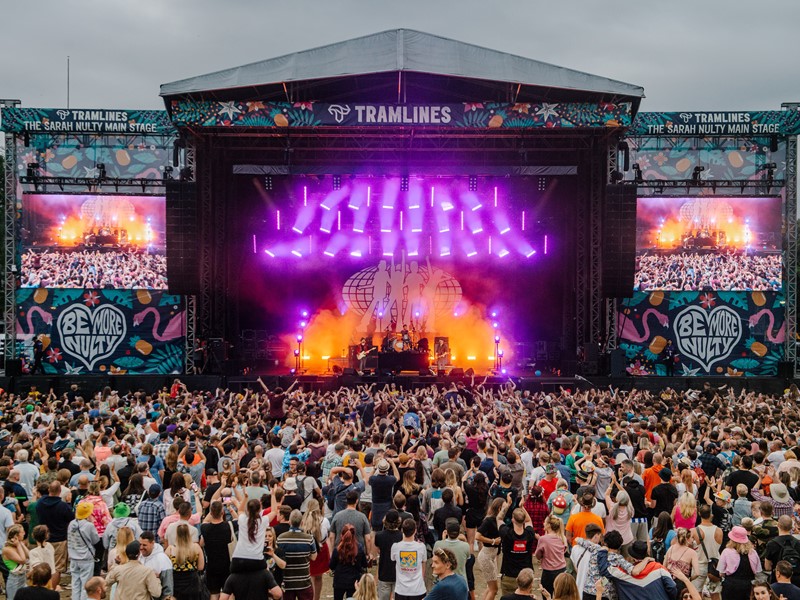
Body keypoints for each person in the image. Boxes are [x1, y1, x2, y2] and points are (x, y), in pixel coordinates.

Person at [36, 481, 73, 589]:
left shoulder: (40, 502)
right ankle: (50, 590)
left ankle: (42, 588)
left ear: (49, 490)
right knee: (57, 568)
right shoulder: (63, 506)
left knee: (44, 565)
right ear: (60, 491)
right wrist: (69, 503)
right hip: (59, 539)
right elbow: (71, 519)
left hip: (43, 538)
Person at [277, 509, 318, 600]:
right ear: (302, 522)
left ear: (289, 521)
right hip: (304, 582)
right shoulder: (309, 539)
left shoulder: (281, 538)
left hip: (287, 582)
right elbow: (314, 557)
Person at [200, 501, 234, 600]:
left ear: (210, 513)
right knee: (228, 593)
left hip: (212, 565)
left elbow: (205, 521)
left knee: (214, 593)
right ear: (223, 513)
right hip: (227, 565)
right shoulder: (228, 526)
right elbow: (238, 518)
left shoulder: (205, 528)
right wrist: (230, 508)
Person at [499, 507, 536, 596]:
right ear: (523, 521)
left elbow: (499, 519)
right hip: (526, 577)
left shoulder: (506, 533)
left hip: (509, 576)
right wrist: (523, 507)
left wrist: (507, 505)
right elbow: (528, 520)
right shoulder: (530, 534)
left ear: (512, 520)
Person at [718, 526, 761, 600]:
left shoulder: (727, 551)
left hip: (730, 586)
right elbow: (758, 571)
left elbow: (721, 572)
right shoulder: (753, 552)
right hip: (747, 586)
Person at [476, 498, 506, 600]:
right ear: (499, 508)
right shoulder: (489, 520)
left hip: (492, 556)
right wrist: (493, 541)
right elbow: (477, 536)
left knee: (490, 587)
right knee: (494, 589)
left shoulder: (499, 520)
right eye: (504, 508)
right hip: (486, 555)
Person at [68, 503, 99, 600]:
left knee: (75, 583)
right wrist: (93, 523)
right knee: (86, 584)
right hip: (86, 558)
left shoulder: (71, 523)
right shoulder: (89, 525)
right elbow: (95, 540)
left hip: (73, 556)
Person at [329, 523, 368, 600]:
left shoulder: (337, 549)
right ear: (354, 535)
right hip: (354, 581)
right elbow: (364, 564)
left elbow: (331, 565)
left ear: (341, 535)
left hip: (339, 581)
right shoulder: (359, 548)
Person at [390, 518, 427, 600]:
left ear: (402, 530)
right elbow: (424, 564)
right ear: (415, 530)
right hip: (418, 590)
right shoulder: (421, 547)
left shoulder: (395, 547)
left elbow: (392, 559)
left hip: (401, 590)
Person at [165, 524, 204, 600]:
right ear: (189, 534)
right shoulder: (196, 547)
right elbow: (200, 567)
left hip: (176, 582)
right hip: (192, 582)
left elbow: (164, 567)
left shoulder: (170, 549)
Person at [535, 516, 568, 598]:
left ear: (549, 525)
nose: (543, 523)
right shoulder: (562, 537)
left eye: (545, 522)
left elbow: (538, 556)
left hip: (548, 572)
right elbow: (564, 550)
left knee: (546, 595)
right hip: (562, 569)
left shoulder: (543, 539)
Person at [231, 499, 267, 572]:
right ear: (260, 509)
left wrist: (245, 498)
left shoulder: (242, 519)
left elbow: (240, 510)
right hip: (257, 559)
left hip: (238, 558)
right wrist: (273, 494)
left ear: (247, 509)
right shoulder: (263, 521)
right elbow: (274, 511)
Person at [373, 510, 402, 600]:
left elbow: (378, 550)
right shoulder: (402, 536)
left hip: (384, 572)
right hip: (398, 573)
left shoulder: (379, 536)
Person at [763, 515, 800, 587]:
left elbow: (767, 567)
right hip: (796, 580)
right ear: (791, 527)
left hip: (778, 580)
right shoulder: (798, 543)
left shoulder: (772, 544)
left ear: (778, 525)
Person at [433, 518, 471, 584]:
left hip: (443, 582)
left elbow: (436, 559)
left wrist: (443, 540)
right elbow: (464, 561)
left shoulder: (438, 544)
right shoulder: (466, 546)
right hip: (461, 583)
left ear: (446, 531)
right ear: (459, 532)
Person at [138, 531, 174, 600]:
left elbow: (168, 588)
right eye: (140, 544)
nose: (141, 547)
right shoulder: (138, 557)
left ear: (152, 543)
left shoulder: (162, 559)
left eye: (144, 545)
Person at [3, 524, 30, 600]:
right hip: (14, 581)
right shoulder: (7, 549)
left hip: (23, 578)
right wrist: (18, 545)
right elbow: (22, 560)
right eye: (22, 532)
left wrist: (21, 544)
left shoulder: (19, 544)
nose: (24, 533)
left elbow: (29, 556)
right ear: (16, 535)